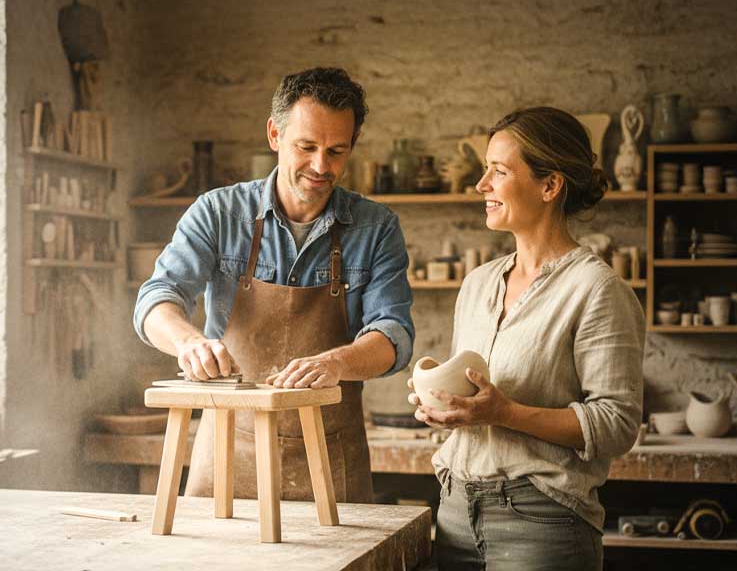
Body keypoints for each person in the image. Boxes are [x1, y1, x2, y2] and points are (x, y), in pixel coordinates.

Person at [135, 67, 415, 503]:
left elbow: (394, 336)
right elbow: (156, 300)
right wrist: (189, 342)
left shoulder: (376, 228)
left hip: (331, 460)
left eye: (337, 151)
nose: (321, 166)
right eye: (306, 147)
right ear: (274, 134)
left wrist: (337, 363)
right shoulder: (218, 213)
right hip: (228, 453)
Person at [409, 107, 644, 570]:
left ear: (549, 186)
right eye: (484, 171)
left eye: (498, 171)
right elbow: (479, 389)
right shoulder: (478, 283)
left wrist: (505, 413)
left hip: (541, 518)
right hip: (456, 510)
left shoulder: (596, 290)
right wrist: (445, 402)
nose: (481, 186)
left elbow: (616, 424)